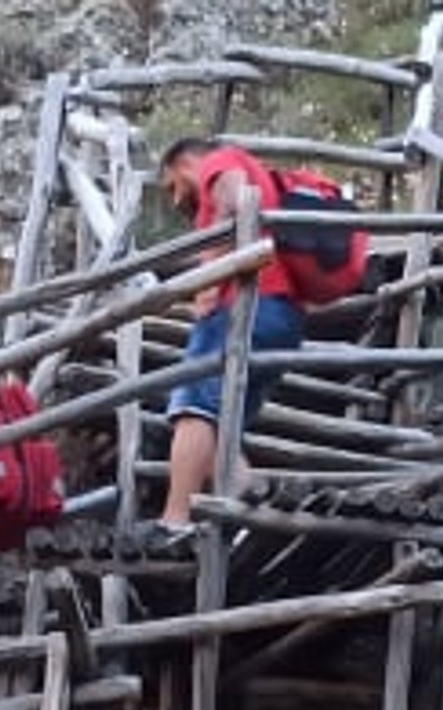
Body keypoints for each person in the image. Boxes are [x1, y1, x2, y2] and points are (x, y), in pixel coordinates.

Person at [143, 138, 310, 556]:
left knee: (192, 406)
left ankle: (174, 520)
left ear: (184, 163)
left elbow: (235, 198)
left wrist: (210, 280)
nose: (176, 198)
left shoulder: (219, 162)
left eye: (171, 186)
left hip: (245, 307)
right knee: (222, 421)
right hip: (283, 318)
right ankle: (246, 498)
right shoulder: (260, 171)